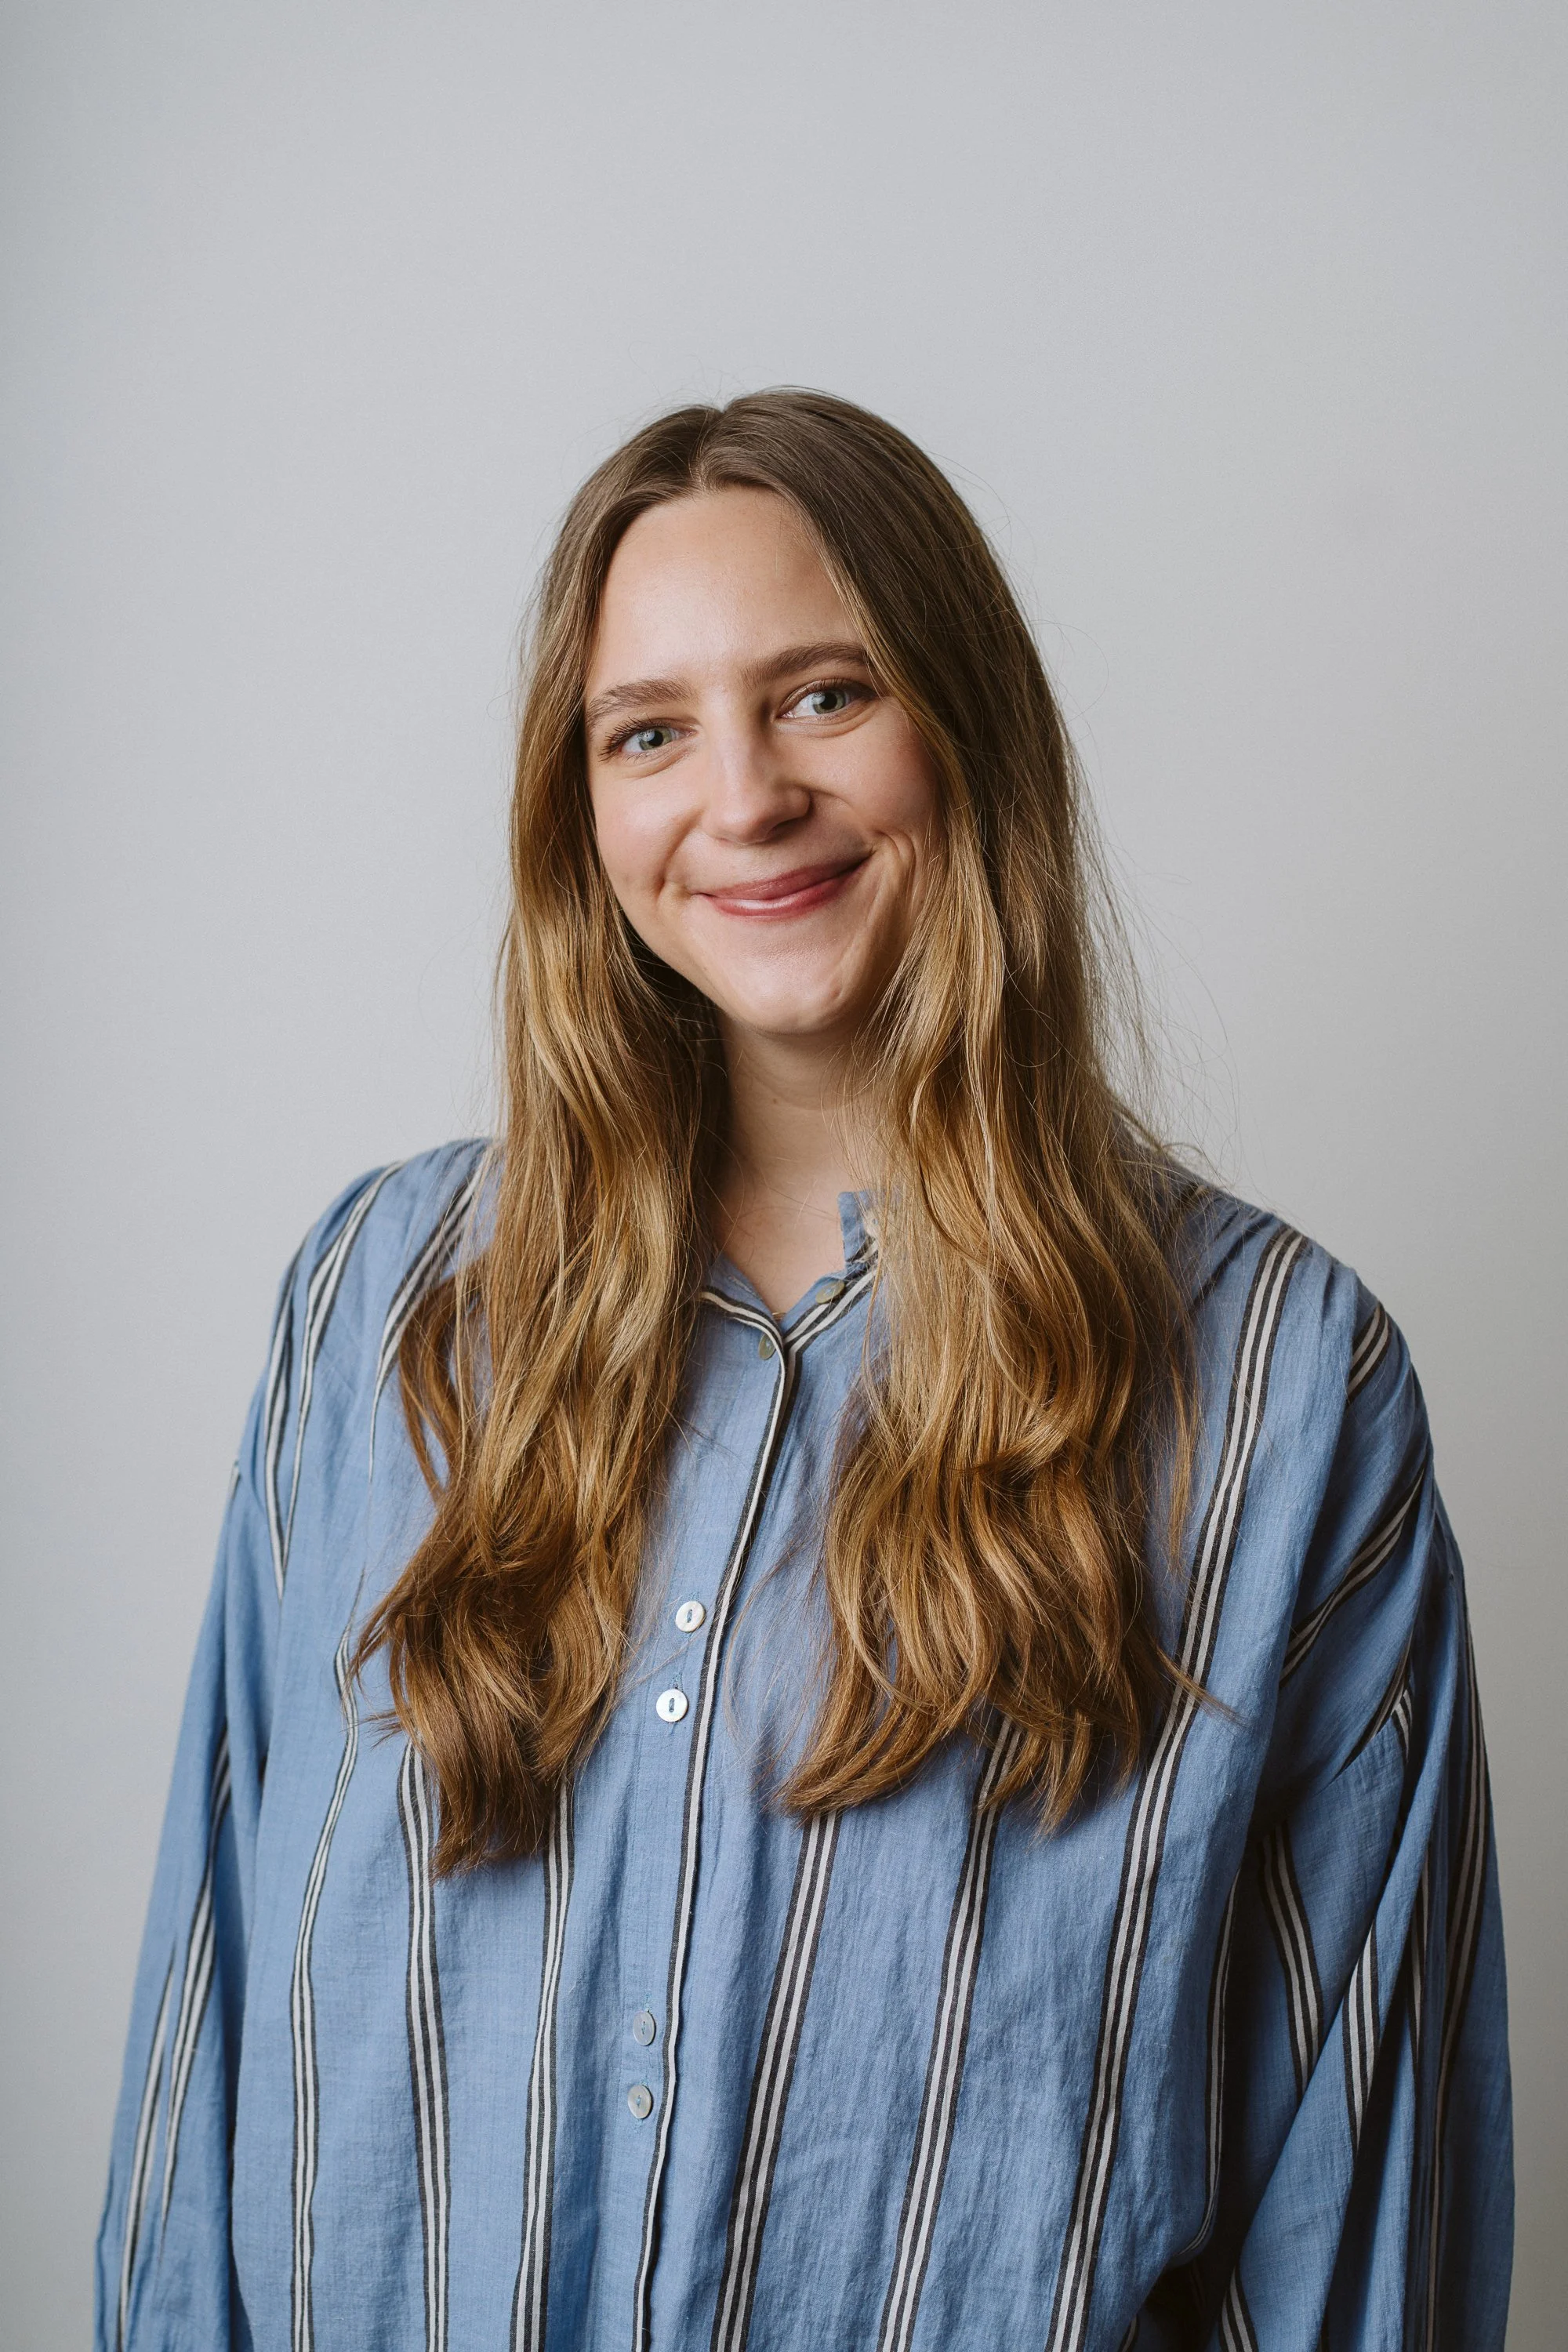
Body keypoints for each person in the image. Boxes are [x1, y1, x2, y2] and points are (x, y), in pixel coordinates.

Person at [97, 391, 1512, 2352]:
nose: (741, 796)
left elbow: (1355, 2201)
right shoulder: (380, 1310)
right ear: (578, 808)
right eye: (649, 730)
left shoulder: (1280, 1390)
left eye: (826, 695)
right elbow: (212, 2035)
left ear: (966, 723)